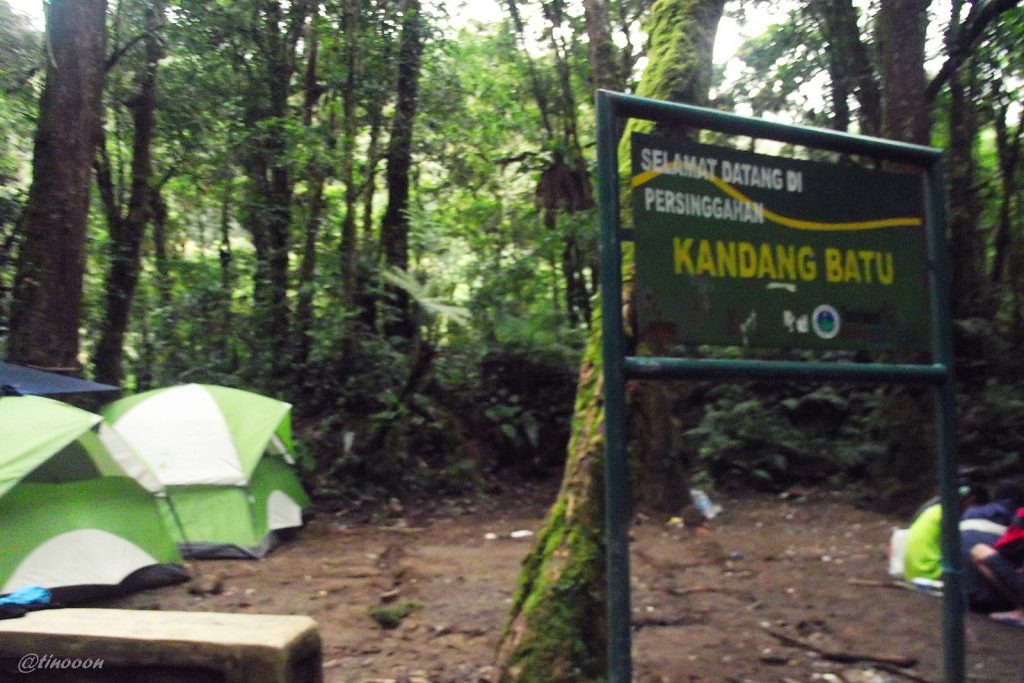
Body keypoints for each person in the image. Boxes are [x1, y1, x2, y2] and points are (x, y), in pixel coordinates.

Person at [960, 481, 1024, 615]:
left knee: (980, 551)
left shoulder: (967, 514)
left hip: (958, 593)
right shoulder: (1013, 516)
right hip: (991, 599)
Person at [902, 483, 987, 582]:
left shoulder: (935, 510)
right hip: (931, 572)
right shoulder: (950, 517)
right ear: (971, 500)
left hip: (912, 571)